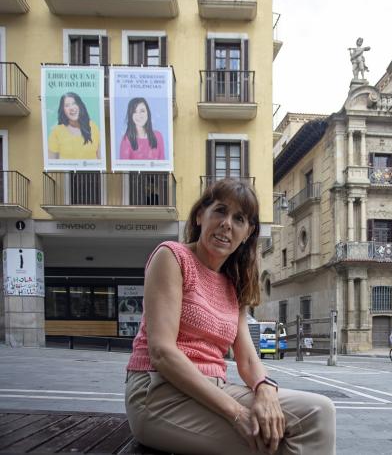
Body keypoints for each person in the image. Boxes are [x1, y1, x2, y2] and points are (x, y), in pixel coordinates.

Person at [124, 179, 335, 455]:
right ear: (201, 216)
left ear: (248, 233)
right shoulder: (172, 257)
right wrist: (237, 414)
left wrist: (265, 389)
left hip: (212, 391)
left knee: (319, 412)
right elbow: (162, 352)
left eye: (239, 218)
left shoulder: (232, 284)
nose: (227, 224)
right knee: (272, 441)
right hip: (158, 393)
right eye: (220, 211)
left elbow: (247, 359)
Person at [48, 92, 100, 160]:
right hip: (68, 170)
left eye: (74, 103)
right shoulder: (57, 131)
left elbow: (100, 158)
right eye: (67, 105)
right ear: (63, 110)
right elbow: (52, 162)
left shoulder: (93, 126)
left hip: (92, 170)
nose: (71, 108)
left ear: (80, 106)